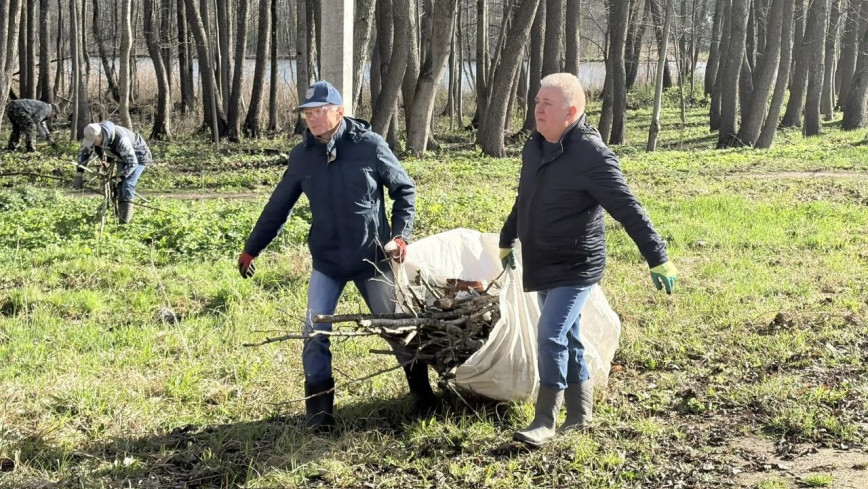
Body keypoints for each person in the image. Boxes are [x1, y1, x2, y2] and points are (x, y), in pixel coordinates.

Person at [237, 80, 436, 433]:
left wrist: (400, 236)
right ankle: (319, 415)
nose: (312, 119)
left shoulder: (369, 146)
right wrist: (253, 248)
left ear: (339, 112)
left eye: (320, 111)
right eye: (307, 114)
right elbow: (278, 206)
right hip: (327, 262)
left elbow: (404, 189)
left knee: (399, 328)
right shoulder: (302, 157)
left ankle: (422, 396)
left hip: (372, 259)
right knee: (314, 333)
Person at [499, 73, 678, 447]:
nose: (537, 110)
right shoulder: (535, 147)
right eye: (537, 102)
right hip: (542, 261)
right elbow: (525, 197)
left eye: (547, 104)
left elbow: (628, 207)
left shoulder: (590, 154)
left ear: (571, 111)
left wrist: (657, 256)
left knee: (550, 334)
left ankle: (544, 419)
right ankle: (580, 415)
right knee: (569, 336)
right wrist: (506, 237)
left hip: (576, 264)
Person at [74, 122, 152, 224]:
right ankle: (120, 219)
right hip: (122, 156)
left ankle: (125, 224)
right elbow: (85, 153)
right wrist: (79, 174)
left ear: (100, 136)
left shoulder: (121, 140)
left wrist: (119, 177)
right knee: (120, 188)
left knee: (127, 184)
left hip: (139, 156)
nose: (92, 144)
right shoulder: (93, 133)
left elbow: (132, 163)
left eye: (94, 141)